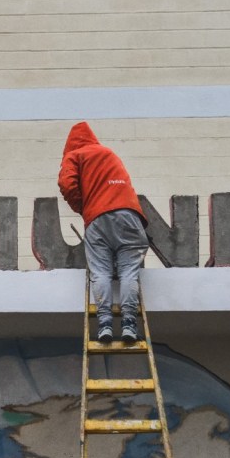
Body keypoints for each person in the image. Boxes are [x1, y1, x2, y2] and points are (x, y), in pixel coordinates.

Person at [58, 122, 149, 343]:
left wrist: (82, 207)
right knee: (129, 272)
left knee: (100, 272)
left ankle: (105, 323)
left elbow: (67, 185)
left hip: (97, 218)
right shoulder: (109, 153)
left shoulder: (75, 155)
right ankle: (129, 323)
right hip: (129, 215)